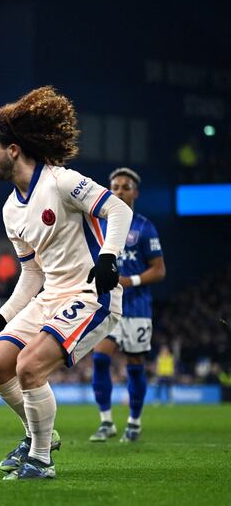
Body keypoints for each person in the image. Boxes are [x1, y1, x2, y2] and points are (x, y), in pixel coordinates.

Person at [0, 86, 133, 479]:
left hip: (91, 294)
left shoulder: (61, 182)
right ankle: (38, 436)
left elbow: (117, 209)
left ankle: (41, 461)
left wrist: (109, 258)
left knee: (29, 366)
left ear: (13, 149)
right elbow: (32, 272)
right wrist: (5, 314)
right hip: (51, 295)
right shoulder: (11, 209)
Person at [90, 167, 166, 443]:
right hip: (108, 304)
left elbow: (159, 270)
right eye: (115, 186)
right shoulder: (100, 224)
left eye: (125, 186)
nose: (120, 191)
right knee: (99, 359)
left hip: (137, 307)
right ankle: (106, 422)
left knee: (135, 364)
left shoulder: (145, 227)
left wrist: (129, 280)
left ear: (135, 192)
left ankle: (134, 422)